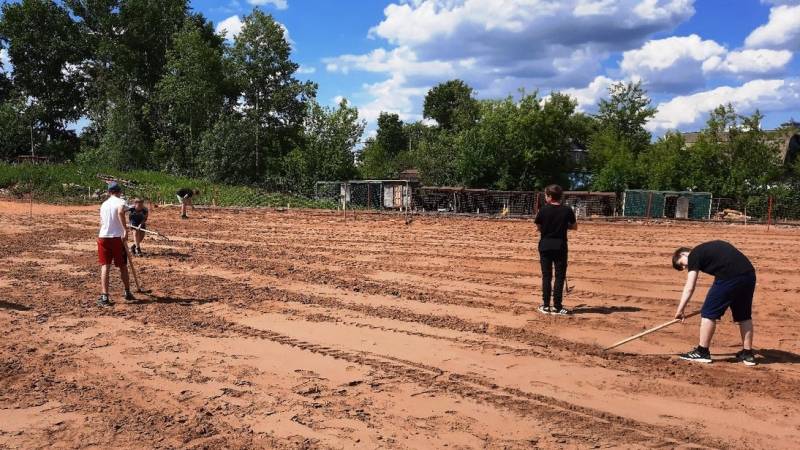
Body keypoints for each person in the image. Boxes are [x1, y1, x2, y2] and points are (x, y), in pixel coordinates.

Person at [672, 240, 757, 365]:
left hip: (729, 277)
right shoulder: (706, 249)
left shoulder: (694, 254)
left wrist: (680, 310)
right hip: (749, 275)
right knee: (744, 316)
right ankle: (748, 354)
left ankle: (702, 352)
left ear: (684, 254)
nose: (685, 268)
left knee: (708, 313)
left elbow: (690, 287)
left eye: (682, 265)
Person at [534, 184, 577, 315]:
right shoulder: (567, 210)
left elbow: (538, 227)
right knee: (559, 276)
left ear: (550, 196)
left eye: (546, 195)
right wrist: (564, 226)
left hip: (545, 245)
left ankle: (546, 305)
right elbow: (574, 227)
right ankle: (557, 306)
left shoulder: (543, 210)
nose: (545, 197)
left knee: (546, 276)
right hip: (560, 246)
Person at [97, 181, 135, 306]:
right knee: (123, 265)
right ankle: (127, 292)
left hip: (103, 236)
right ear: (119, 192)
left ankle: (104, 296)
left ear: (109, 192)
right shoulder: (121, 202)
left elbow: (102, 222)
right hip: (116, 238)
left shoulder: (104, 204)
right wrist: (125, 229)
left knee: (105, 266)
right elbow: (120, 211)